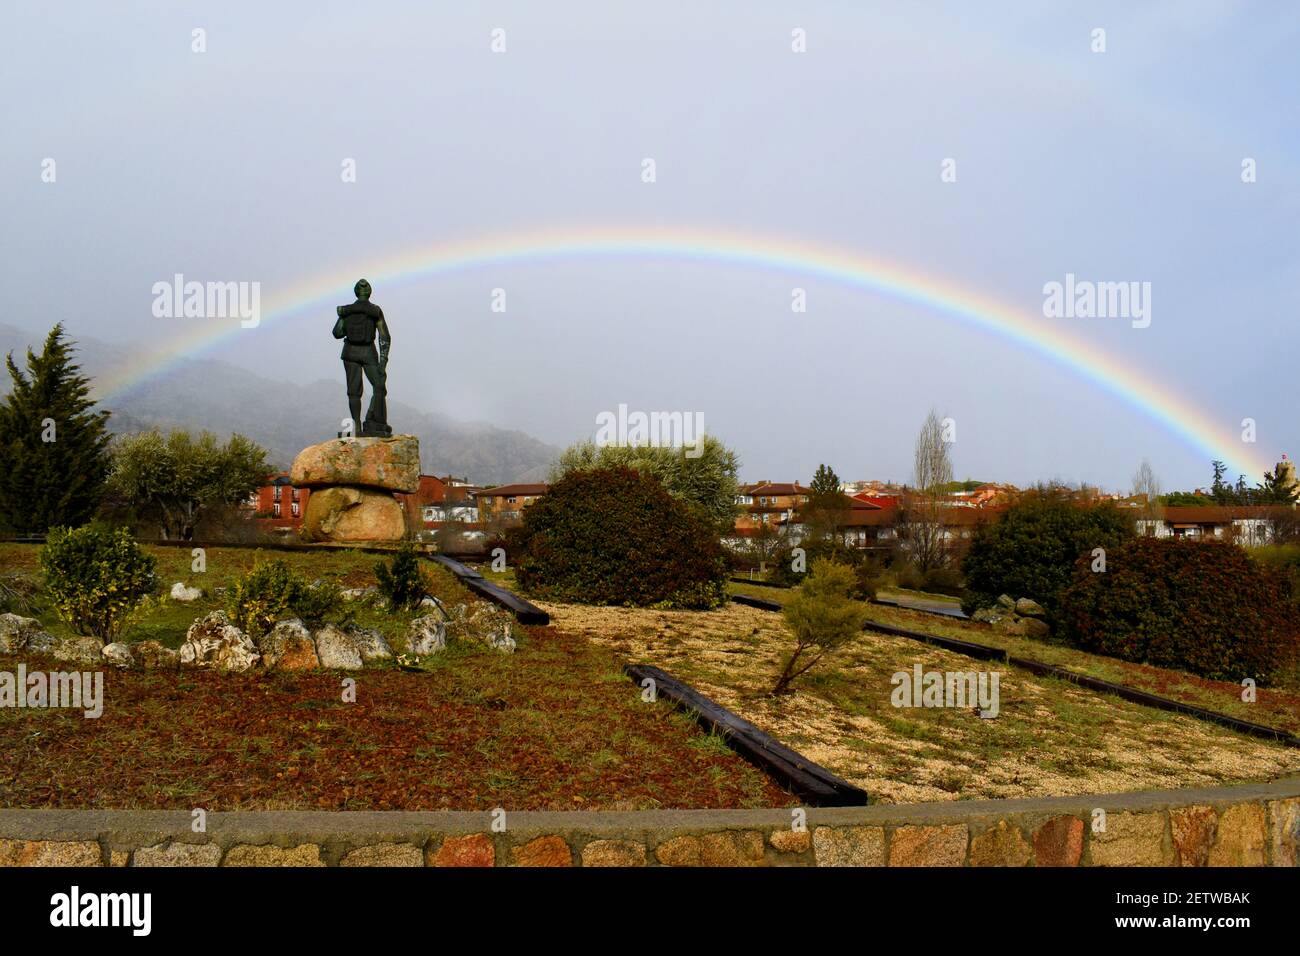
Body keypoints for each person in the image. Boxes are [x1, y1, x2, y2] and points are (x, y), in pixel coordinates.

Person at [332, 278, 392, 437]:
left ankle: (357, 427)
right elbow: (384, 336)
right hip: (368, 352)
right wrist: (383, 361)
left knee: (353, 392)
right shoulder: (375, 311)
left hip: (349, 352)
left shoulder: (347, 311)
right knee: (379, 385)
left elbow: (337, 333)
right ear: (369, 292)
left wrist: (344, 319)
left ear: (356, 292)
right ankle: (374, 421)